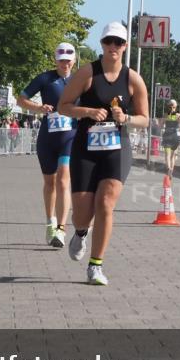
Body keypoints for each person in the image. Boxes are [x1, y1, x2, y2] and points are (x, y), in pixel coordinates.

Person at [57, 22, 149, 286]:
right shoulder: (87, 73)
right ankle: (81, 232)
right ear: (102, 44)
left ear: (125, 47)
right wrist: (86, 111)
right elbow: (63, 107)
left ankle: (95, 266)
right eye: (109, 41)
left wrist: (127, 117)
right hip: (86, 148)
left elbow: (145, 119)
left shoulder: (133, 79)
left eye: (118, 43)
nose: (113, 47)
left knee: (106, 202)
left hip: (117, 148)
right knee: (82, 214)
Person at [16, 43, 78, 248]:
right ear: (56, 60)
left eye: (69, 60)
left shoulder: (80, 81)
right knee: (50, 183)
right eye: (61, 60)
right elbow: (21, 99)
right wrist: (39, 107)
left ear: (74, 61)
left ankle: (61, 229)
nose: (65, 63)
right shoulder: (45, 78)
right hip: (47, 138)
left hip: (69, 137)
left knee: (63, 181)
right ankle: (50, 221)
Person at [160, 99, 180, 176]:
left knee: (167, 154)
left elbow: (160, 125)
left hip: (167, 134)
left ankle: (168, 169)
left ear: (168, 107)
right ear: (175, 107)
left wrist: (163, 127)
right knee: (173, 155)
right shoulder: (179, 116)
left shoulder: (165, 115)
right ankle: (171, 171)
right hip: (176, 136)